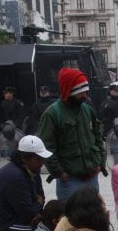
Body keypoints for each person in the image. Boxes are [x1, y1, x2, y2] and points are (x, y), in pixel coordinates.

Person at [38, 68, 106, 201]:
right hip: (69, 181)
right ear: (69, 91)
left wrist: (101, 163)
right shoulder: (52, 114)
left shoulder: (88, 110)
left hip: (92, 178)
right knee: (71, 219)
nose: (85, 95)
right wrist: (60, 173)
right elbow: (46, 146)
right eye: (80, 92)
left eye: (86, 91)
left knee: (92, 217)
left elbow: (98, 137)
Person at [0, 135, 50, 231]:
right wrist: (38, 203)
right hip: (1, 227)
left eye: (43, 159)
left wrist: (37, 207)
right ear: (25, 158)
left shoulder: (33, 171)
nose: (42, 163)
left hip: (18, 219)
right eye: (38, 159)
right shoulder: (14, 176)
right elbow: (29, 213)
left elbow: (41, 197)